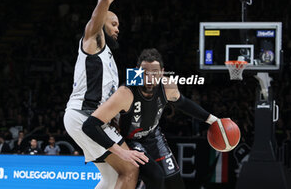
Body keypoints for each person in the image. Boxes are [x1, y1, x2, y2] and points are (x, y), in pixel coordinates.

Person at [82, 48, 220, 189]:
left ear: (162, 72)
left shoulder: (168, 86)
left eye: (154, 73)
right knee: (156, 176)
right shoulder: (126, 92)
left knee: (175, 183)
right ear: (137, 71)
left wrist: (213, 120)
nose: (149, 78)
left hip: (153, 135)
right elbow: (89, 125)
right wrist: (119, 150)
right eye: (145, 73)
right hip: (129, 140)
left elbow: (183, 103)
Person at [63, 0, 148, 189]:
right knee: (130, 168)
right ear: (102, 25)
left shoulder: (109, 59)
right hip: (84, 116)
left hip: (92, 118)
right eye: (114, 24)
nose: (118, 28)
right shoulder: (92, 41)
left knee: (111, 178)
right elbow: (102, 4)